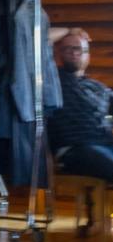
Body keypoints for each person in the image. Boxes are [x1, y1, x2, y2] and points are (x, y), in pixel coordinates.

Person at [47, 29, 113, 180]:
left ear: (87, 55)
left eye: (79, 48)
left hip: (106, 145)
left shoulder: (100, 88)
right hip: (74, 149)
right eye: (68, 48)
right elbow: (35, 39)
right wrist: (69, 30)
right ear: (59, 53)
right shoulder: (52, 79)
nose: (74, 52)